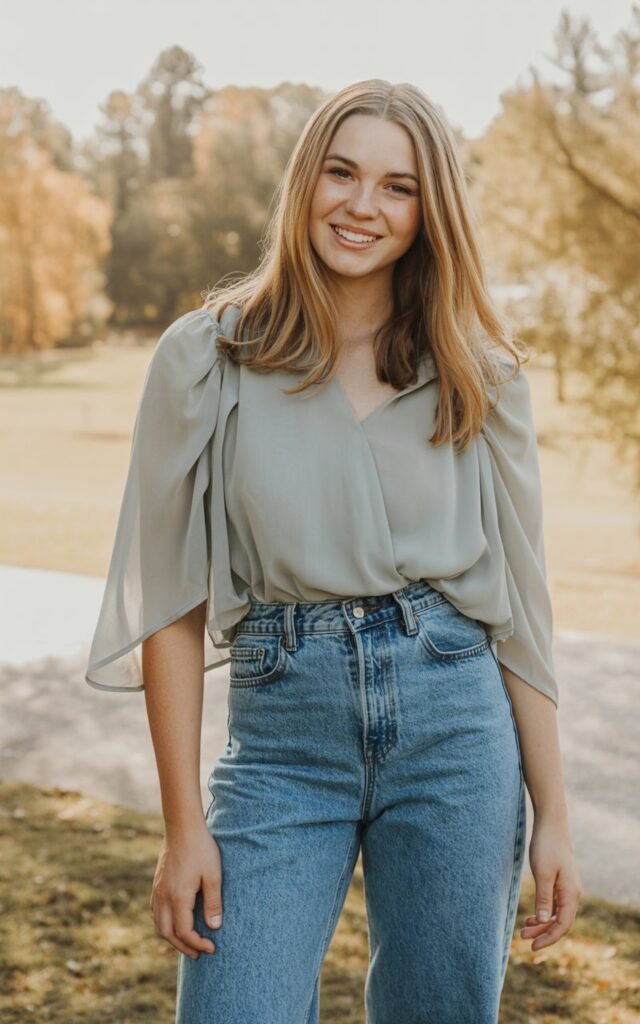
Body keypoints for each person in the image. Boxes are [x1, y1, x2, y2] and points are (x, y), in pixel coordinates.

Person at [85, 79, 582, 1024]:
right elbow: (171, 608)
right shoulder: (206, 359)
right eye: (342, 173)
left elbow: (524, 607)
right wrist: (182, 824)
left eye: (398, 187)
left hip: (456, 722)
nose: (363, 206)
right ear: (304, 180)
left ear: (429, 211)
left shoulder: (481, 374)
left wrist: (554, 813)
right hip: (281, 736)